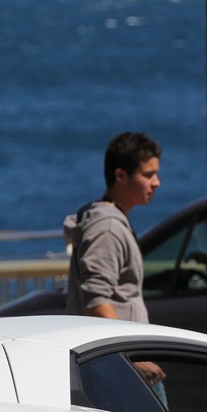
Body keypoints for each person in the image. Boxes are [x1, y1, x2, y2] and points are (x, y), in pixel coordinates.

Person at [65, 131, 161, 321]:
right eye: (148, 175)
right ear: (120, 175)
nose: (156, 183)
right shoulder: (107, 230)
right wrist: (123, 349)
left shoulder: (110, 222)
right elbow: (96, 303)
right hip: (117, 348)